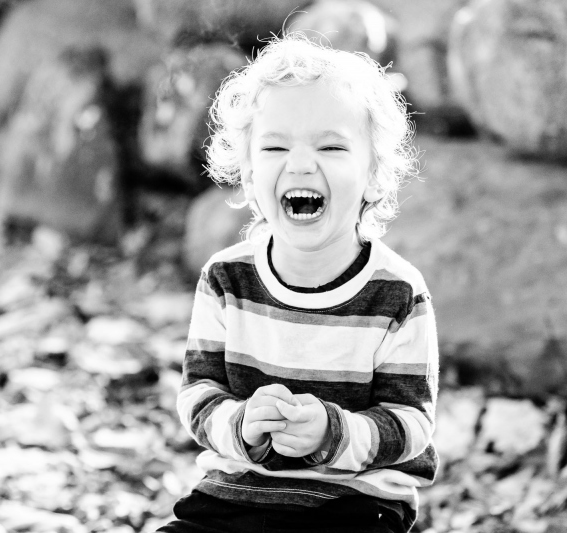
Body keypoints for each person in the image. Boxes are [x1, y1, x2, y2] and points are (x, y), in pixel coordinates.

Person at [158, 34, 438, 533]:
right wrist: (243, 424)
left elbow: (412, 424)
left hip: (352, 502)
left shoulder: (397, 292)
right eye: (275, 146)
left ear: (374, 175)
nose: (302, 163)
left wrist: (334, 432)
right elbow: (199, 395)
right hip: (235, 496)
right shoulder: (227, 279)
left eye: (330, 146)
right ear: (247, 176)